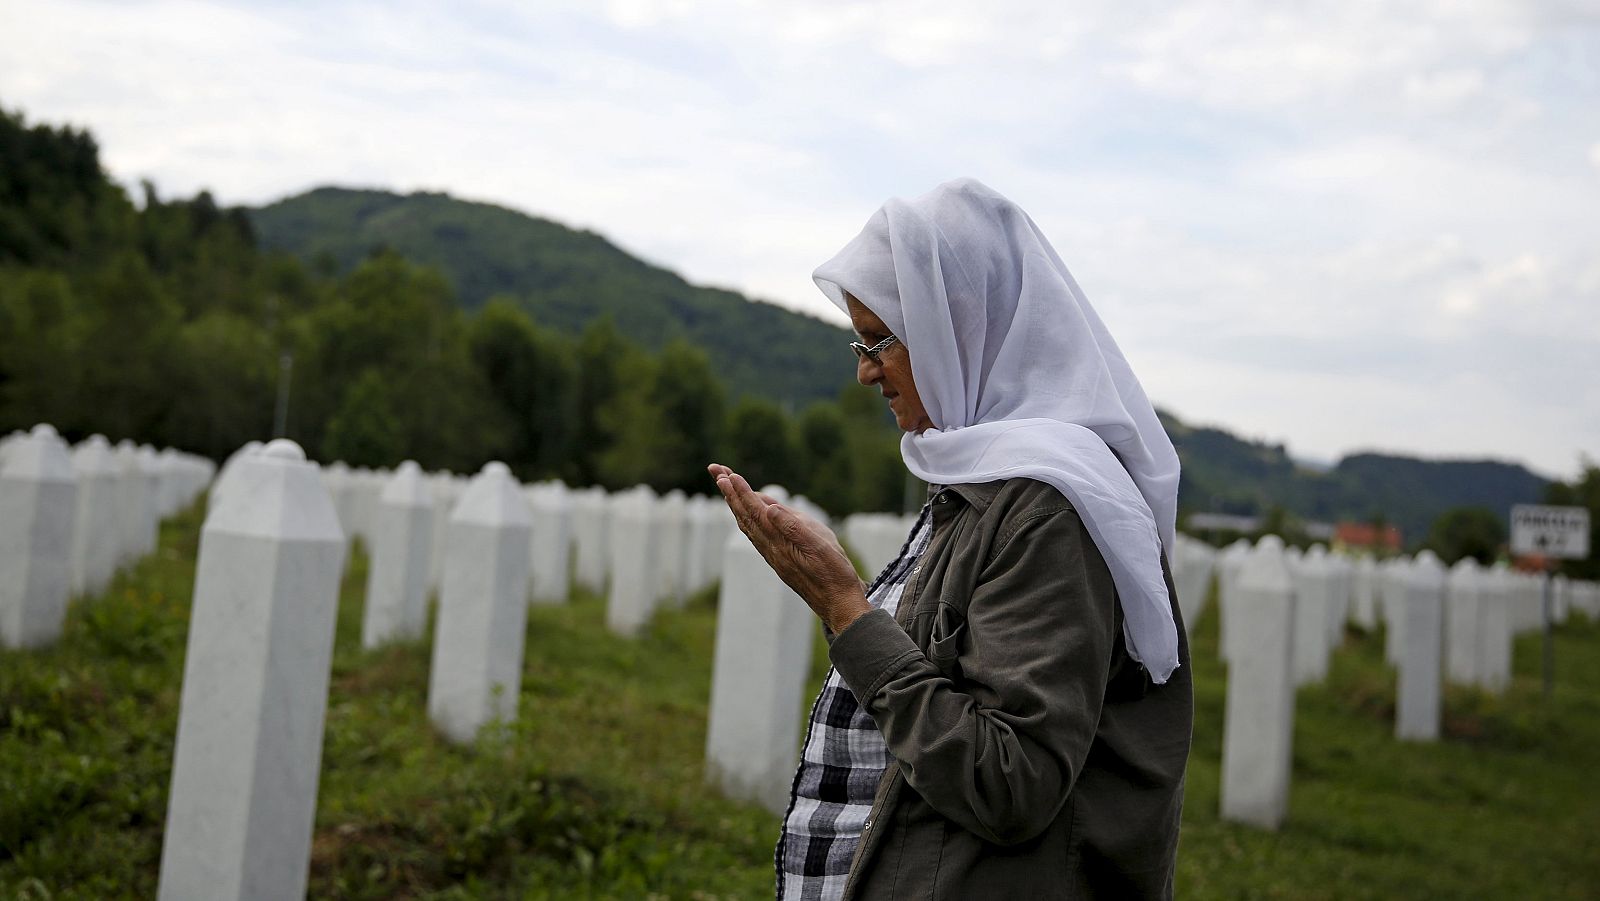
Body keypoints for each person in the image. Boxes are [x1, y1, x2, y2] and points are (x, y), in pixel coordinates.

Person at [708, 178, 1192, 900]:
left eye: (882, 341)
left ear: (958, 328)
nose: (866, 370)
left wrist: (846, 610)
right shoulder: (987, 482)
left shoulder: (1049, 508)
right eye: (859, 341)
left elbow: (1010, 779)